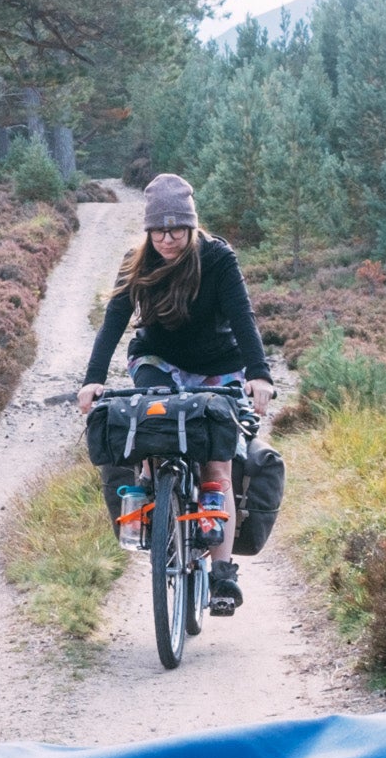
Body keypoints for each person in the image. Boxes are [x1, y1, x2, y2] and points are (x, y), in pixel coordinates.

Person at [78, 173, 276, 611]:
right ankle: (155, 503)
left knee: (217, 465)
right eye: (159, 230)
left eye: (177, 229)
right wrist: (93, 378)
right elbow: (114, 320)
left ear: (192, 225)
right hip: (157, 361)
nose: (168, 239)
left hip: (218, 366)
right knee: (152, 430)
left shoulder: (218, 258)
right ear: (149, 230)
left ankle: (223, 574)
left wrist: (258, 374)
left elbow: (243, 318)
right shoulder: (138, 261)